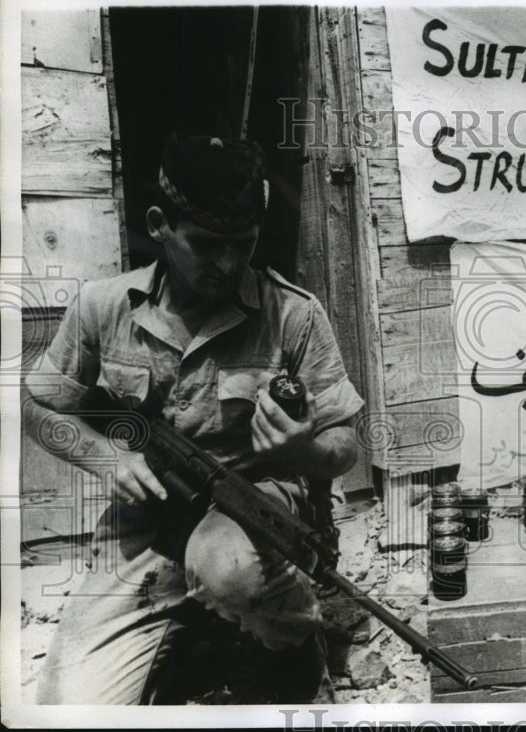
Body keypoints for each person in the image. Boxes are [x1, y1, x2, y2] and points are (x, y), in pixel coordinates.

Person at [22, 134, 364, 704]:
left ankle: (292, 641)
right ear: (159, 224)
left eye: (244, 244)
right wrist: (104, 457)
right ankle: (198, 629)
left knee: (228, 569)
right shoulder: (103, 307)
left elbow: (345, 444)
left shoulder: (294, 315)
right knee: (70, 708)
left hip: (254, 505)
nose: (229, 264)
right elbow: (39, 405)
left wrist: (303, 450)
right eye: (206, 244)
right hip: (147, 526)